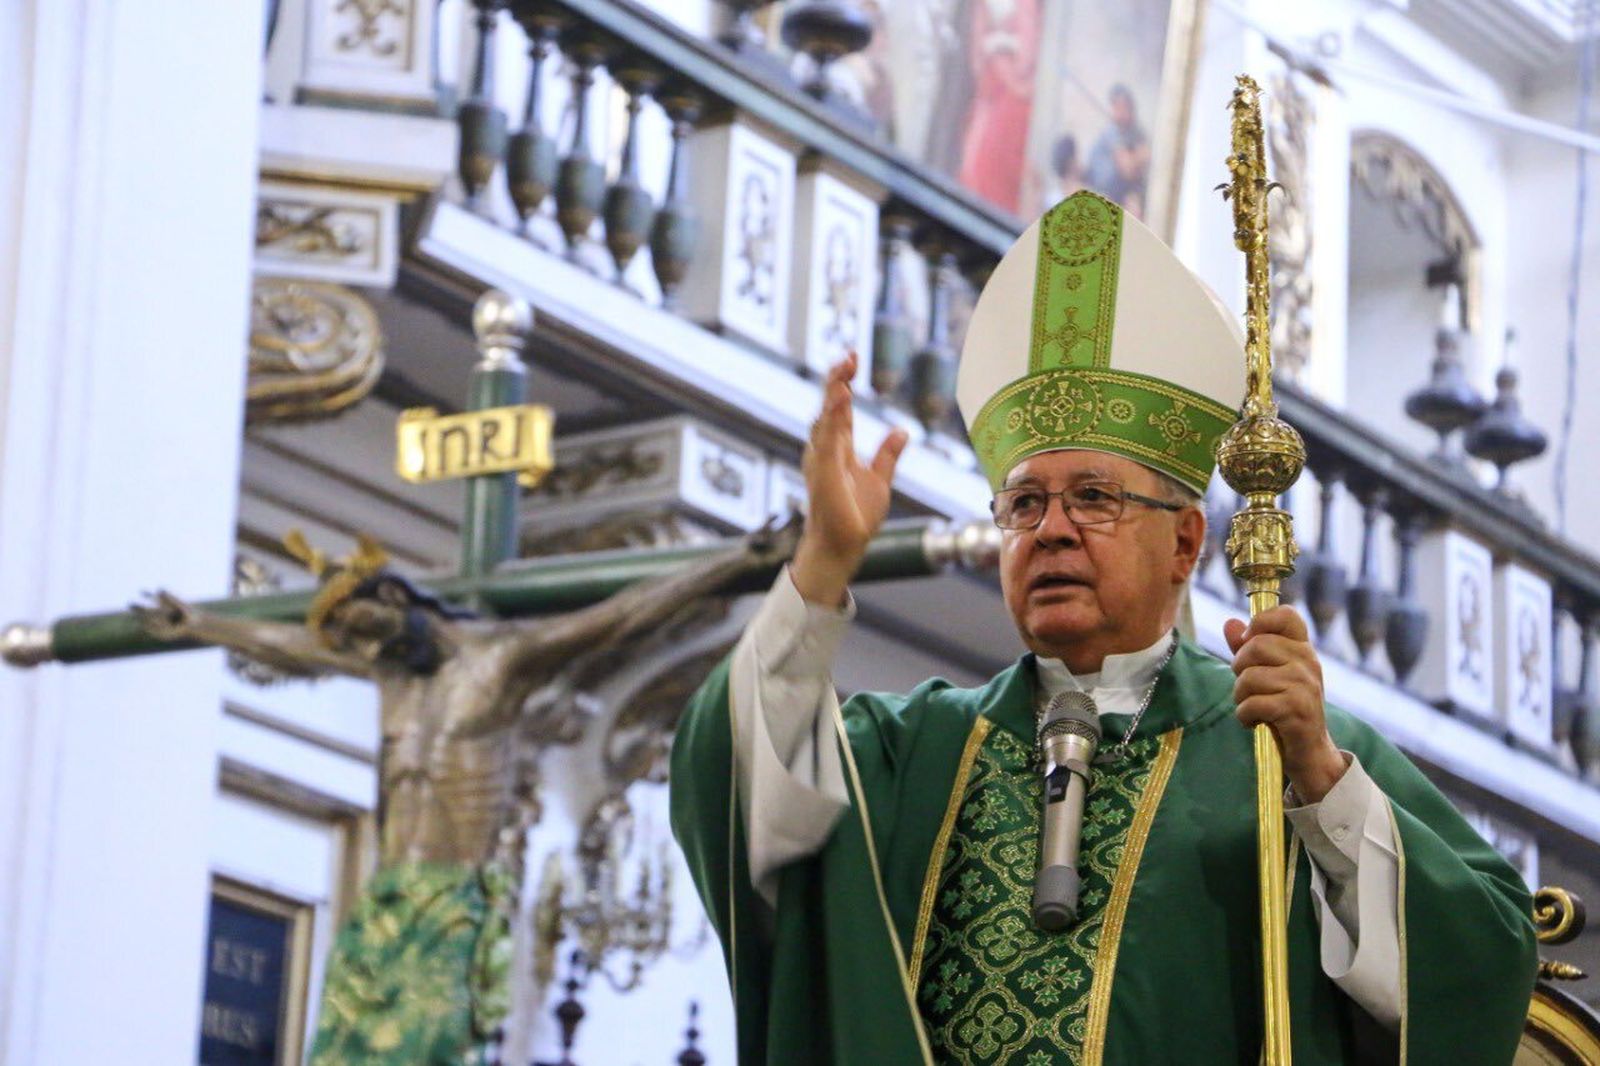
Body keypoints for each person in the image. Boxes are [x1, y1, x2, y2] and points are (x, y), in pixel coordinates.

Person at [670, 191, 1538, 1064]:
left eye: (1093, 498)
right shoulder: (916, 750)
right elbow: (734, 778)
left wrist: (1317, 779)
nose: (1050, 529)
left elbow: (1482, 962)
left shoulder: (1282, 746)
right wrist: (822, 562)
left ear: (1186, 541)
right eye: (1024, 504)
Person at [1085, 85, 1152, 218]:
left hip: (1129, 192)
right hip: (1106, 194)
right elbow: (1127, 167)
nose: (1123, 112)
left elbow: (1147, 155)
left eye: (1125, 107)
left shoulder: (1135, 131)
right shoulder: (1111, 133)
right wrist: (1135, 159)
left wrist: (1135, 159)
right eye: (1118, 107)